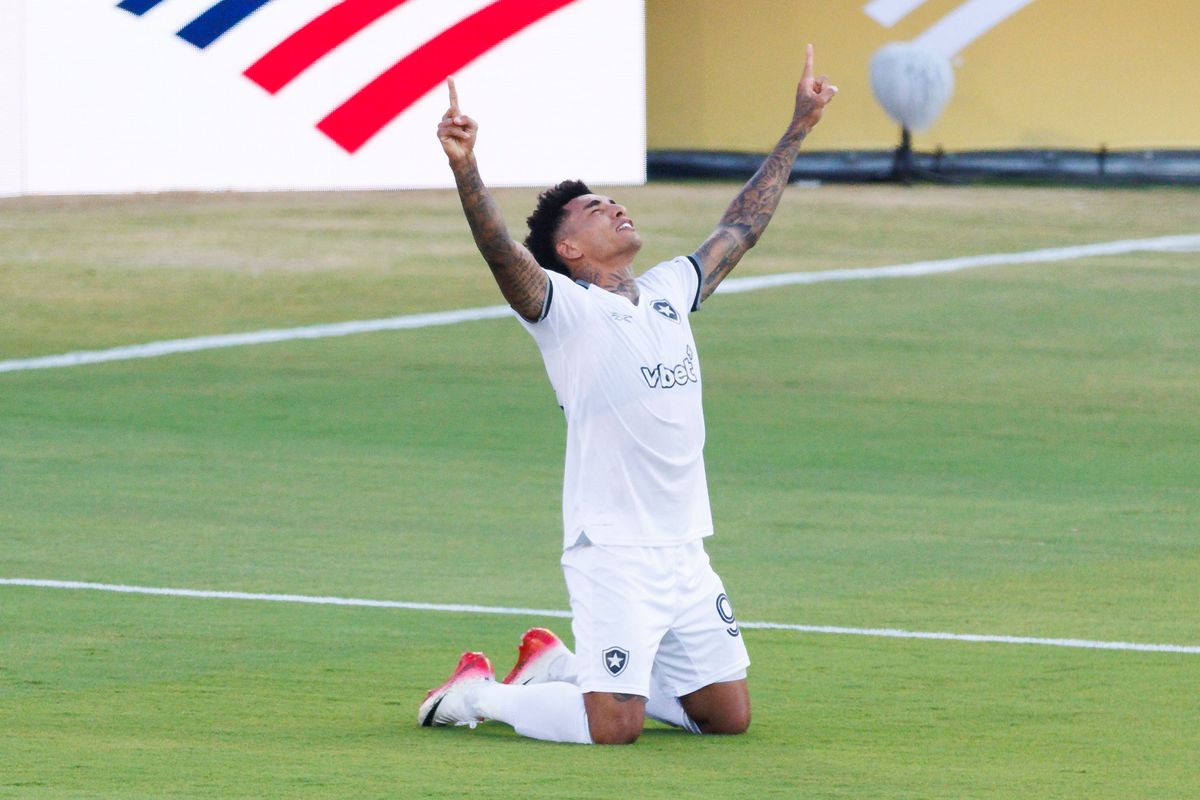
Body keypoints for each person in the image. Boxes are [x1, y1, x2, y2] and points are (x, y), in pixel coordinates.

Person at [419, 45, 837, 745]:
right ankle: (476, 695)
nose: (614, 206)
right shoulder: (565, 312)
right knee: (613, 728)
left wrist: (799, 125)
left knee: (726, 719)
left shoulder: (671, 288)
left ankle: (558, 667)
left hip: (683, 545)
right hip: (613, 549)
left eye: (611, 200)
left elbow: (741, 227)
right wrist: (467, 168)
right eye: (592, 209)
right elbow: (503, 255)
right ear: (570, 252)